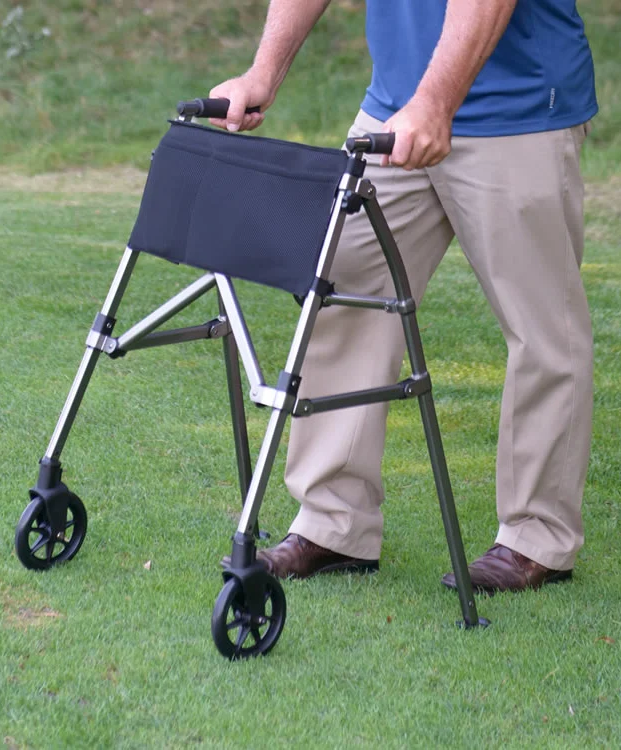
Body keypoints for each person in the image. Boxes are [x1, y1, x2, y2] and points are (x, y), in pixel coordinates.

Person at [209, 0, 597, 593]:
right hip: (392, 113)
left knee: (544, 332)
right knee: (340, 291)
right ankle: (334, 523)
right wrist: (263, 72)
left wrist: (436, 104)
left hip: (517, 115)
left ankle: (536, 539)